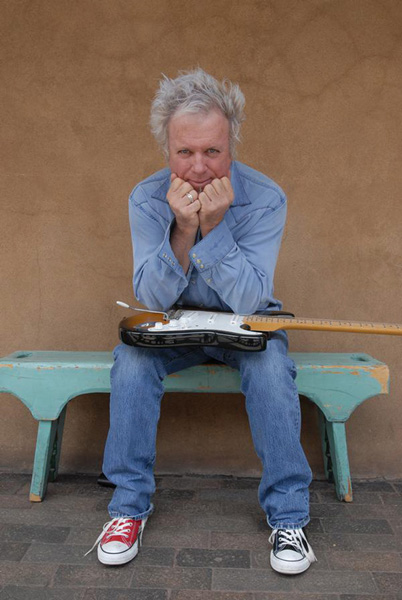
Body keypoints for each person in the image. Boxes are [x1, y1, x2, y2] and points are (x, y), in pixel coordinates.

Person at [88, 69, 316, 575]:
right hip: (173, 327)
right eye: (184, 152)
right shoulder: (145, 198)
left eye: (212, 151)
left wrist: (212, 228)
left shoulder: (266, 198)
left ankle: (288, 518)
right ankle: (127, 509)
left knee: (272, 371)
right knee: (130, 362)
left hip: (246, 326)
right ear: (166, 150)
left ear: (231, 146)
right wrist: (182, 230)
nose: (197, 167)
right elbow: (151, 296)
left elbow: (252, 299)